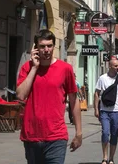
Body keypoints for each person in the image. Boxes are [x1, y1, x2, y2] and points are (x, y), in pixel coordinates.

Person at [16, 30, 82, 164]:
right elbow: (21, 95)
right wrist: (34, 68)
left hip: (56, 137)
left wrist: (79, 132)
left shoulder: (65, 69)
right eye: (42, 46)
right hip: (32, 136)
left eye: (49, 46)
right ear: (35, 48)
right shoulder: (27, 68)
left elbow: (74, 102)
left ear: (54, 46)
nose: (46, 50)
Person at [94, 57, 118, 164]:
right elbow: (97, 93)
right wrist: (96, 109)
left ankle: (111, 158)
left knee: (114, 134)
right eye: (115, 66)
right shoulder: (102, 78)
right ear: (110, 66)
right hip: (104, 110)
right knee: (105, 133)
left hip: (117, 110)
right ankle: (104, 157)